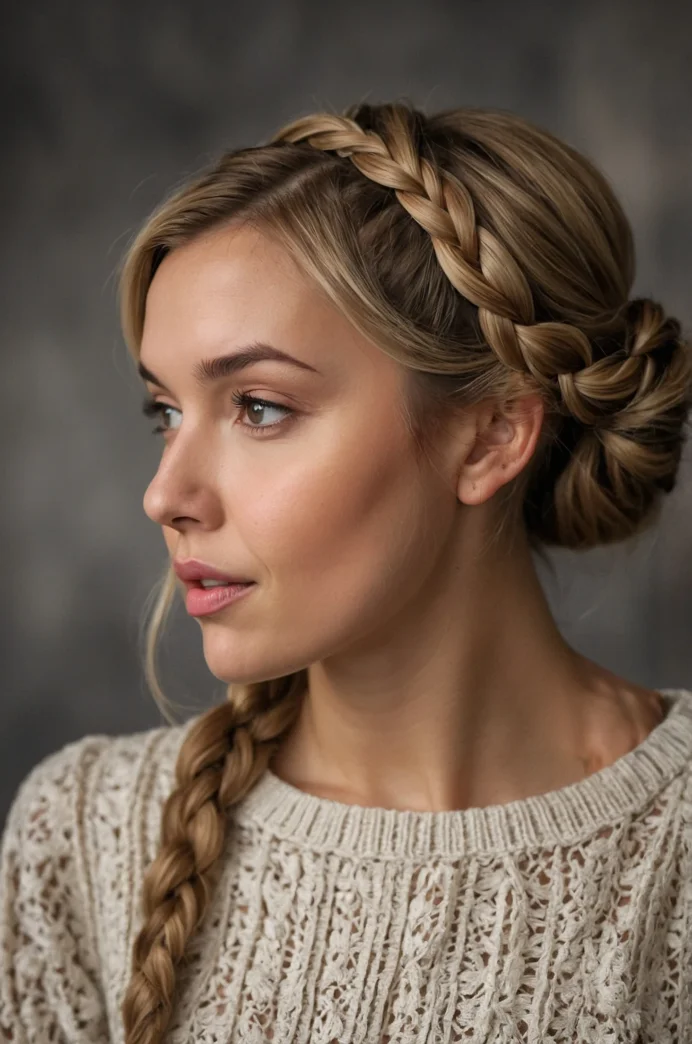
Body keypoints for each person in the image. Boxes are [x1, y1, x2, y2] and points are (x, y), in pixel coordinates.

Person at [1, 100, 691, 1044]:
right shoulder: (83, 840)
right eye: (165, 412)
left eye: (259, 407)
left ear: (491, 435)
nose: (166, 494)